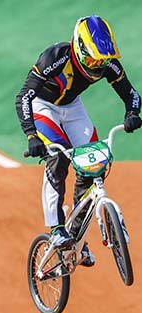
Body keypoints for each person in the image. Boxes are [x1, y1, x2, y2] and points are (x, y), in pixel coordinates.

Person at [15, 15, 142, 267]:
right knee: (58, 159)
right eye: (94, 59)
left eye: (102, 60)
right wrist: (31, 135)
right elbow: (23, 97)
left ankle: (74, 235)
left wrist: (132, 114)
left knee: (94, 162)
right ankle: (55, 227)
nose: (98, 66)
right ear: (80, 49)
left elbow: (131, 94)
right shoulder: (55, 57)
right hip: (44, 105)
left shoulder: (107, 64)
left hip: (73, 107)